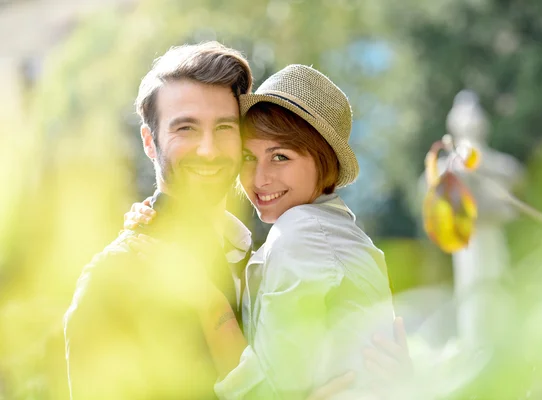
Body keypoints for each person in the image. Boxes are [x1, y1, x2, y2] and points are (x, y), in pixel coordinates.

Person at [127, 65, 399, 399]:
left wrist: (203, 293)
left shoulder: (301, 232)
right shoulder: (329, 230)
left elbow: (263, 393)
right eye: (247, 157)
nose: (259, 179)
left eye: (280, 157)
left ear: (323, 160)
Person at [63, 41, 254, 400]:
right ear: (150, 142)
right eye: (186, 129)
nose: (209, 150)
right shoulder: (113, 278)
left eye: (225, 128)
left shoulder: (258, 255)